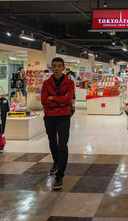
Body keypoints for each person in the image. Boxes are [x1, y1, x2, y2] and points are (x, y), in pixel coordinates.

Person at [41, 57, 75, 190]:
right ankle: (56, 162)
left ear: (63, 68)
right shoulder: (46, 83)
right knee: (52, 142)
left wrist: (53, 98)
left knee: (62, 144)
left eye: (59, 66)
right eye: (54, 66)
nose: (56, 68)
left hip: (63, 116)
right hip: (49, 116)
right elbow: (44, 100)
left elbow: (68, 100)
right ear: (51, 68)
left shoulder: (69, 83)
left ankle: (60, 175)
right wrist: (60, 100)